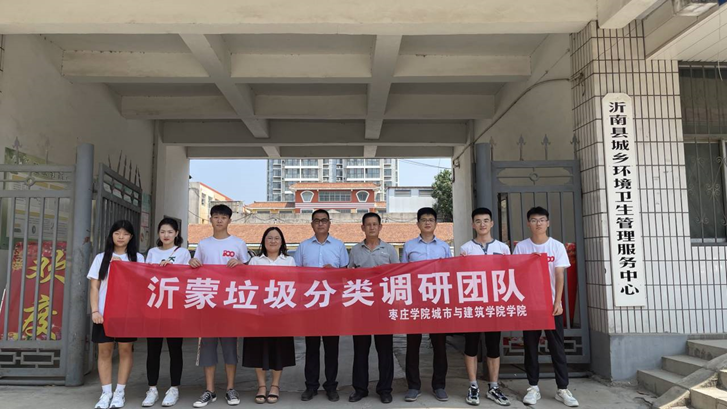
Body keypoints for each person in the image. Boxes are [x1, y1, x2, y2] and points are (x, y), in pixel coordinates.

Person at [513, 206, 579, 407]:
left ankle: (562, 389)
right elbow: (516, 275)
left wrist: (557, 302)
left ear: (548, 223)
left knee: (557, 347)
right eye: (534, 220)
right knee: (530, 347)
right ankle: (533, 387)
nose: (538, 223)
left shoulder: (556, 246)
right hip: (530, 306)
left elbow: (559, 275)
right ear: (528, 223)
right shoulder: (522, 247)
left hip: (551, 306)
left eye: (542, 220)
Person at [189, 204, 250, 408]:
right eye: (216, 216)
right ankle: (210, 390)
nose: (220, 220)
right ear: (210, 219)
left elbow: (249, 271)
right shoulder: (203, 244)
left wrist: (241, 264)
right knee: (207, 347)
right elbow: (194, 267)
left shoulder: (238, 243)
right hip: (207, 302)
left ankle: (231, 388)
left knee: (230, 347)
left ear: (229, 220)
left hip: (230, 303)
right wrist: (192, 263)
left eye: (223, 217)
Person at [87, 220, 145, 409]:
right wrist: (95, 310)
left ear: (131, 237)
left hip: (127, 313)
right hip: (103, 313)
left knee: (125, 350)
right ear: (111, 235)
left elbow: (141, 285)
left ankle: (120, 392)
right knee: (104, 351)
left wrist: (125, 267)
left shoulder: (138, 258)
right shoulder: (101, 258)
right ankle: (106, 393)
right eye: (117, 233)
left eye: (125, 234)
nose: (121, 237)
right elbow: (94, 287)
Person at [294, 209, 349, 402]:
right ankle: (311, 386)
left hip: (332, 303)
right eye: (316, 220)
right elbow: (296, 274)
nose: (320, 223)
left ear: (329, 223)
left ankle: (331, 386)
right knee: (311, 347)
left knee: (332, 348)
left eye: (324, 220)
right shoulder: (303, 246)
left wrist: (335, 272)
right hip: (310, 303)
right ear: (311, 224)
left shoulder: (339, 245)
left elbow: (346, 274)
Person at [459, 208, 511, 406]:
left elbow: (510, 274)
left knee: (493, 345)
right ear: (473, 224)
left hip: (494, 305)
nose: (482, 224)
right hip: (472, 304)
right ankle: (473, 386)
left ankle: (493, 386)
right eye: (478, 221)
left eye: (486, 220)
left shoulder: (503, 248)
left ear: (492, 223)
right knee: (471, 345)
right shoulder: (465, 249)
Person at [347, 213, 399, 405]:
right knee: (360, 350)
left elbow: (397, 276)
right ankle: (360, 389)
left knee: (385, 350)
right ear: (362, 228)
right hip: (361, 308)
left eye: (375, 224)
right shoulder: (355, 250)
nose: (371, 227)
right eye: (368, 224)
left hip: (383, 307)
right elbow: (349, 276)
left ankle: (385, 389)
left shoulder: (390, 250)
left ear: (380, 227)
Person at [401, 207, 452, 403]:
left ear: (436, 223)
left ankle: (439, 386)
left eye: (431, 219)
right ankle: (413, 386)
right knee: (413, 345)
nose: (427, 222)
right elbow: (403, 273)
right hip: (415, 301)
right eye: (424, 219)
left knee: (439, 346)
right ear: (418, 224)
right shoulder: (409, 246)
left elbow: (450, 272)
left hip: (437, 301)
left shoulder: (444, 247)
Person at [242, 227, 297, 405]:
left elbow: (294, 285)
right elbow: (249, 285)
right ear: (264, 241)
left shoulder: (289, 261)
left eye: (276, 238)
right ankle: (261, 386)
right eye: (269, 238)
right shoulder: (255, 261)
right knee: (258, 349)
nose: (273, 241)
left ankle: (274, 385)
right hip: (259, 312)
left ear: (282, 242)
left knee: (278, 349)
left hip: (281, 312)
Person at [142, 218, 192, 408]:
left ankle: (174, 388)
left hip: (174, 307)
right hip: (155, 306)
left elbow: (188, 277)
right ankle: (152, 389)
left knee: (175, 349)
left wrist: (173, 270)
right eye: (162, 231)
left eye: (170, 232)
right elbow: (144, 276)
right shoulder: (152, 253)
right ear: (158, 233)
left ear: (176, 233)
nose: (166, 235)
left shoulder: (183, 253)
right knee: (153, 350)